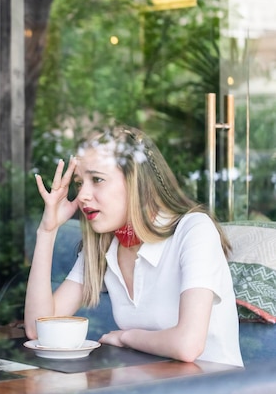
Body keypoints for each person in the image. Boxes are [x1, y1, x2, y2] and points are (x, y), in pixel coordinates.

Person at [24, 125, 243, 367]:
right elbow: (38, 329)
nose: (83, 194)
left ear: (135, 182)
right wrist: (47, 231)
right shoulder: (104, 244)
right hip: (146, 386)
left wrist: (125, 337)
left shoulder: (194, 230)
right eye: (79, 183)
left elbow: (188, 345)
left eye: (97, 179)